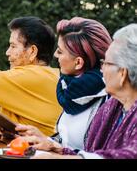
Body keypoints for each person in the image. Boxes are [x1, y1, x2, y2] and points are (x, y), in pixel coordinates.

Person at [23, 23, 137, 159]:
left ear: (122, 73)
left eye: (106, 63)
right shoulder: (113, 107)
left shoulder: (106, 102)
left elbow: (130, 155)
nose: (101, 69)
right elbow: (92, 153)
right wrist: (54, 146)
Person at [16, 17, 111, 151]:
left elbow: (102, 154)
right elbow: (67, 144)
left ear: (78, 63)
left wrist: (55, 147)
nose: (55, 54)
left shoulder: (110, 100)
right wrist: (45, 139)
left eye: (60, 51)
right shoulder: (71, 89)